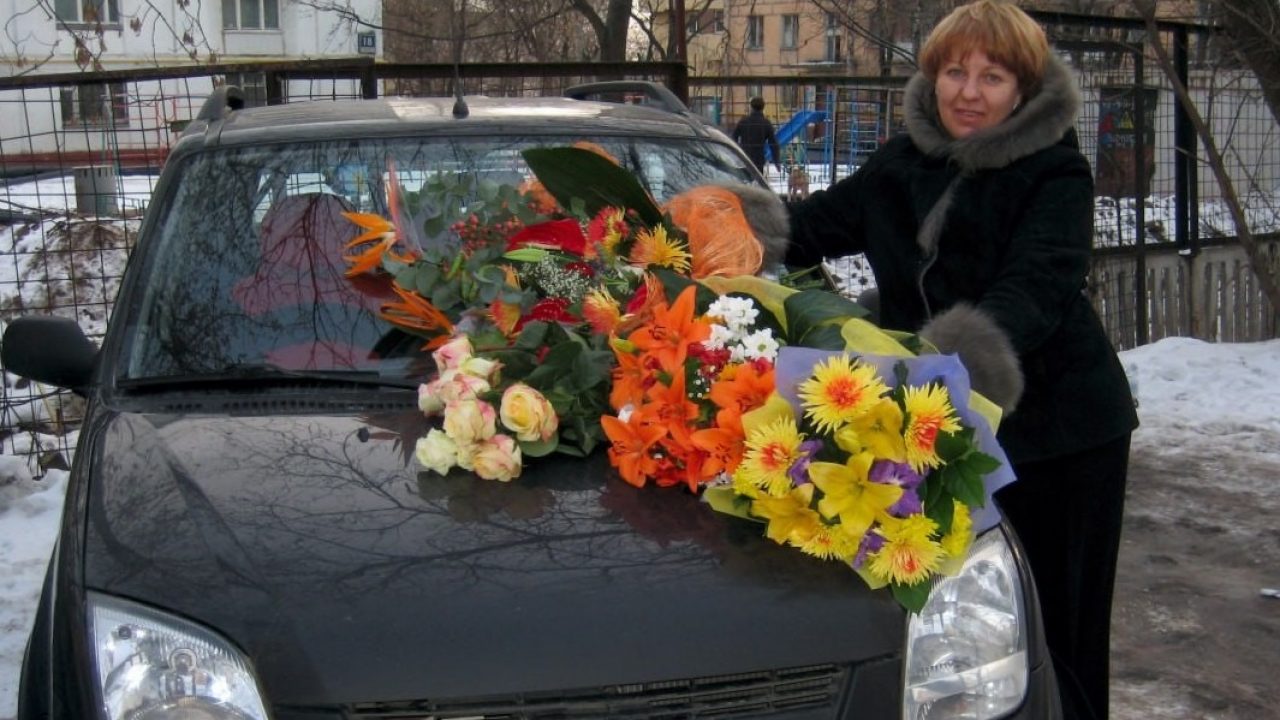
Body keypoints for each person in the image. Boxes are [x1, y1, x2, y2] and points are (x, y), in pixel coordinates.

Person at [733, 2, 1139, 718]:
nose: (969, 92)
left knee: (1053, 629)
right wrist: (727, 226)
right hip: (935, 418)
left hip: (1060, 433)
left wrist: (945, 370)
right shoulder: (902, 163)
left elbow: (1034, 288)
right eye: (956, 71)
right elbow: (813, 226)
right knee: (953, 628)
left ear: (1023, 89)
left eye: (992, 75)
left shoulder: (1055, 173)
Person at [732, 96, 783, 175]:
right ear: (763, 108)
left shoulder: (743, 121)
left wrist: (735, 154)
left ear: (751, 107)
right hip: (758, 159)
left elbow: (733, 138)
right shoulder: (766, 123)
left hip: (744, 157)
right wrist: (776, 161)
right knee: (757, 182)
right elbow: (773, 144)